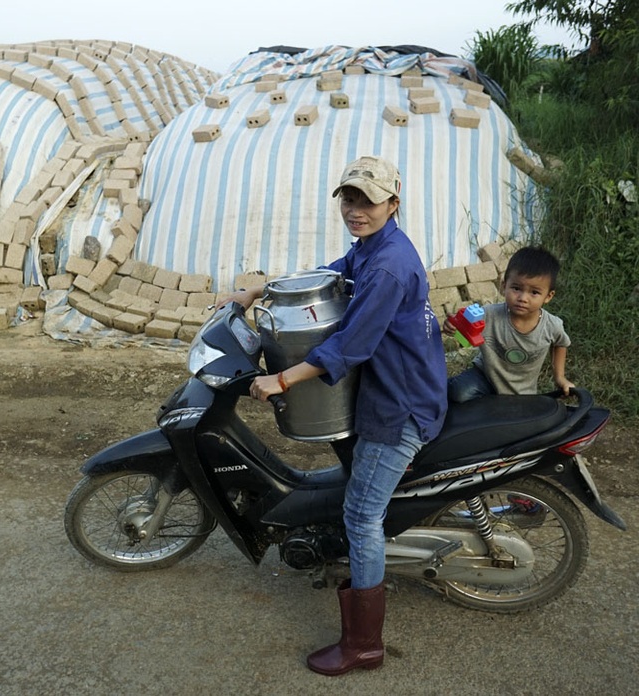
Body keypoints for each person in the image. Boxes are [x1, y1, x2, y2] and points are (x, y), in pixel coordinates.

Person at [224, 156, 448, 676]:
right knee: (358, 492)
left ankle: (364, 645)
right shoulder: (372, 248)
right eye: (349, 199)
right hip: (394, 388)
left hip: (400, 406)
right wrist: (262, 290)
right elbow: (330, 275)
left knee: (362, 516)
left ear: (393, 203)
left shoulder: (390, 265)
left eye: (367, 200)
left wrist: (281, 380)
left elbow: (351, 346)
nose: (355, 210)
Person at [445, 246, 574, 402]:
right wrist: (453, 327)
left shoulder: (551, 326)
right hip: (484, 377)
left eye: (534, 292)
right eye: (516, 288)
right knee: (458, 394)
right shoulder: (488, 315)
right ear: (504, 285)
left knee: (517, 422)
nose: (523, 298)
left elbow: (561, 343)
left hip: (522, 391)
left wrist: (559, 377)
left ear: (548, 296)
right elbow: (463, 334)